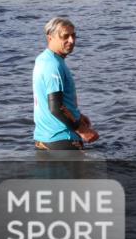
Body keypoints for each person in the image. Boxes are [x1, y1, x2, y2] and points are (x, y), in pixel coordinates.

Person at [33, 17, 99, 150]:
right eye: (65, 36)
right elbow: (56, 107)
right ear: (50, 38)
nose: (71, 40)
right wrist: (81, 129)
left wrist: (78, 116)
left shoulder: (44, 59)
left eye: (73, 36)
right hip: (62, 139)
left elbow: (53, 102)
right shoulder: (53, 65)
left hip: (45, 139)